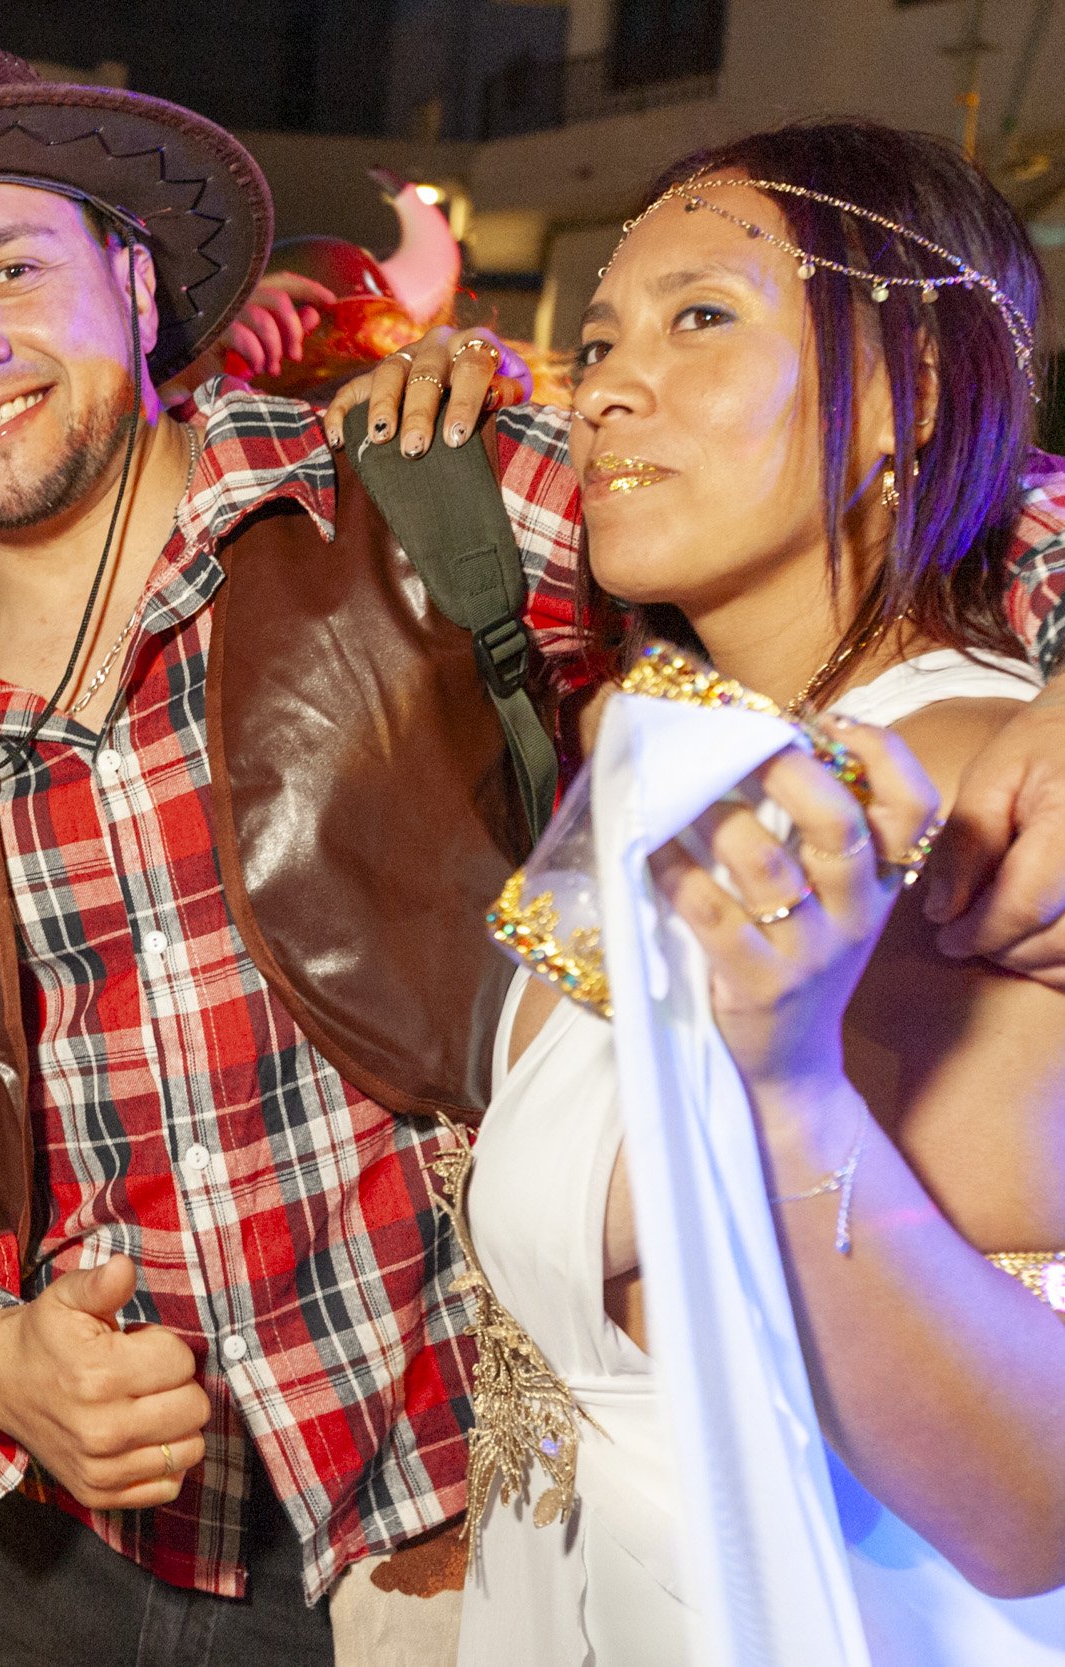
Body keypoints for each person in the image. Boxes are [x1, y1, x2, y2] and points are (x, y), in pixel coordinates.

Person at [0, 46, 1065, 1667]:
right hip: (66, 1578)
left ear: (133, 283)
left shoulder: (431, 495)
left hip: (449, 1562)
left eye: (10, 265)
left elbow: (890, 517)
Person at [392, 121, 1065, 1663]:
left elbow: (1032, 1504)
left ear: (922, 390)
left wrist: (790, 1084)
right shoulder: (672, 750)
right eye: (606, 334)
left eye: (704, 315)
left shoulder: (976, 800)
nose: (606, 382)